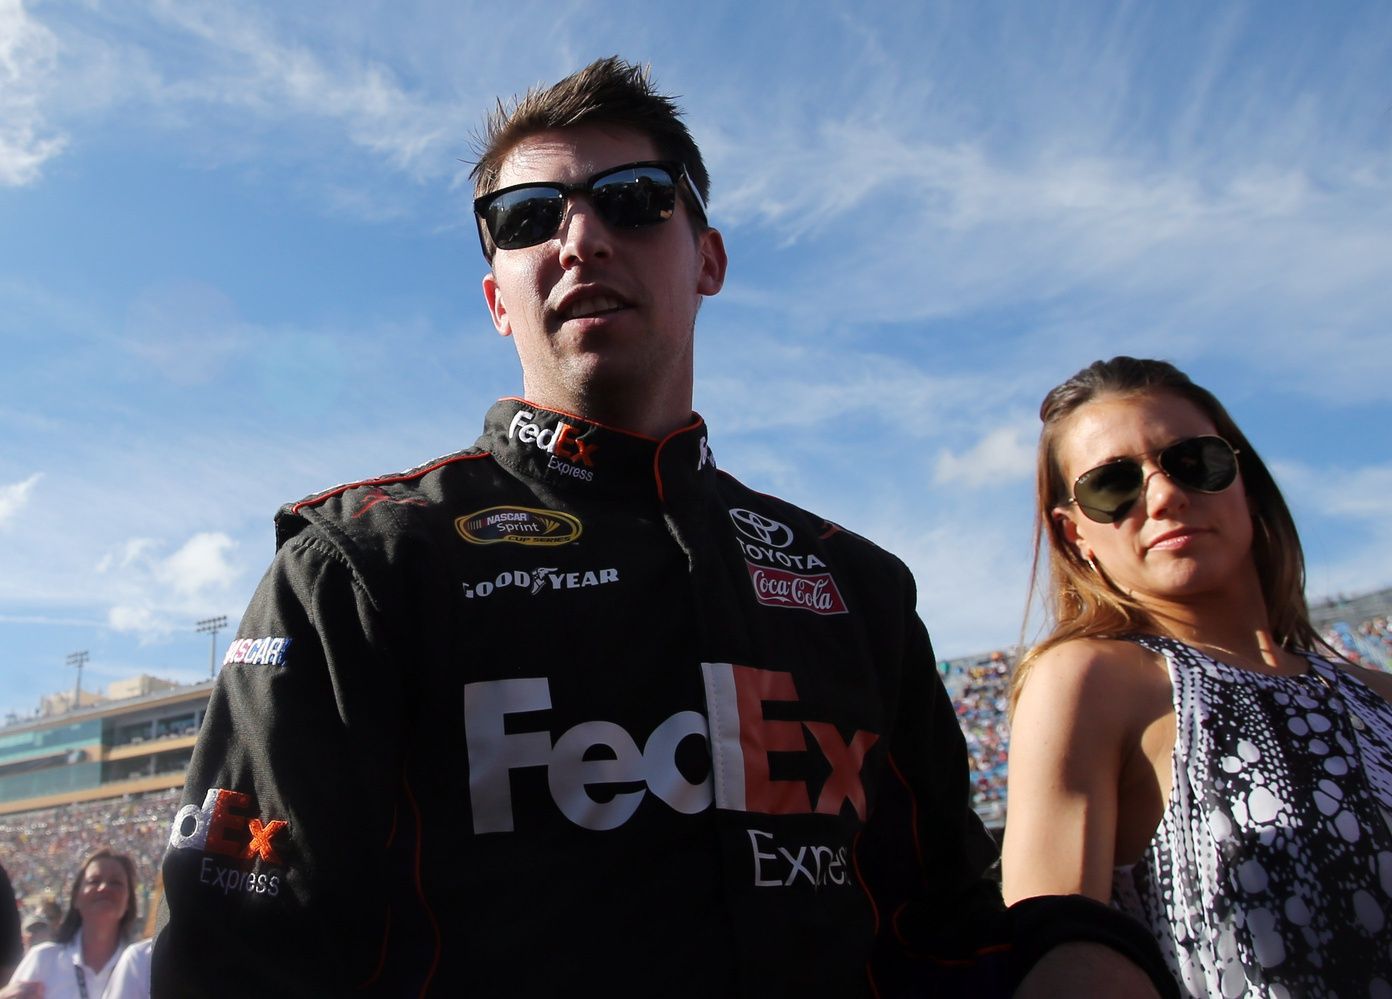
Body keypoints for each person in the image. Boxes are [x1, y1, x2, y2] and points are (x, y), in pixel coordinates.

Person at [154, 58, 1173, 996]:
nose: (580, 237)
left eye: (633, 202)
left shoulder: (858, 585)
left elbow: (946, 930)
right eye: (526, 217)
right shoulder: (361, 566)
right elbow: (238, 961)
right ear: (495, 298)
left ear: (709, 259)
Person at [1001, 356, 1392, 996]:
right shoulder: (1090, 680)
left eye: (1194, 461)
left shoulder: (1382, 697)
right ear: (1075, 537)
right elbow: (1057, 958)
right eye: (1111, 485)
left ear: (1244, 478)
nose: (1163, 495)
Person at [3, 849, 137, 999]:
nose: (104, 887)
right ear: (76, 898)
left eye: (116, 883)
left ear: (128, 902)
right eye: (94, 881)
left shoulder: (143, 966)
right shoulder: (43, 960)